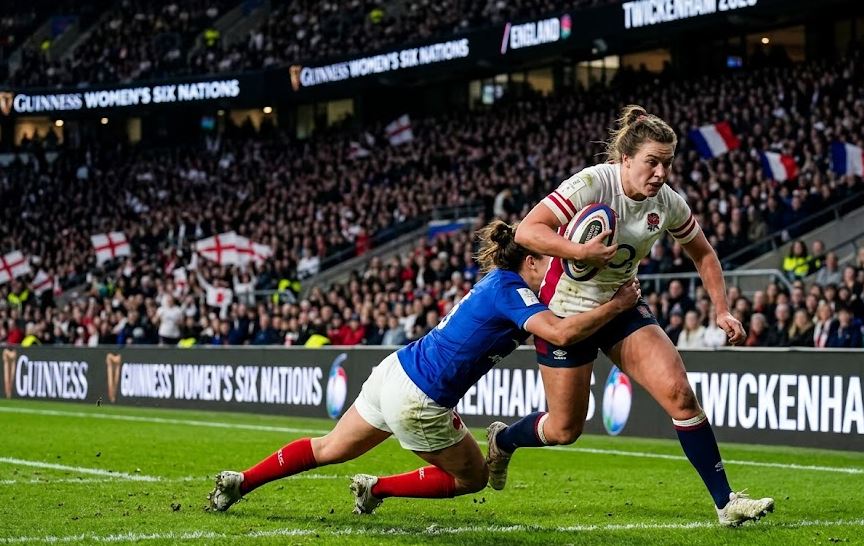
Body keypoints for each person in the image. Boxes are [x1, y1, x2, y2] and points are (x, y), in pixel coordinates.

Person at [207, 220, 642, 514]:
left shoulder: (496, 283)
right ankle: (377, 488)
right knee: (472, 478)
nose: (558, 268)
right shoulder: (513, 291)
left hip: (395, 372)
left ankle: (240, 481)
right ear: (529, 261)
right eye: (550, 260)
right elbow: (562, 334)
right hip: (420, 398)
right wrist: (619, 304)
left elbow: (554, 320)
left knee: (329, 448)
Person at [492, 105, 773, 527]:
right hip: (566, 315)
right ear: (625, 160)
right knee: (565, 429)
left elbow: (704, 253)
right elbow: (528, 232)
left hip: (623, 306)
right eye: (652, 162)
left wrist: (721, 309)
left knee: (680, 393)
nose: (660, 172)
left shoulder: (668, 203)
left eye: (668, 163)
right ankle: (504, 440)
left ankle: (726, 503)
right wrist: (581, 252)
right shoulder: (592, 183)